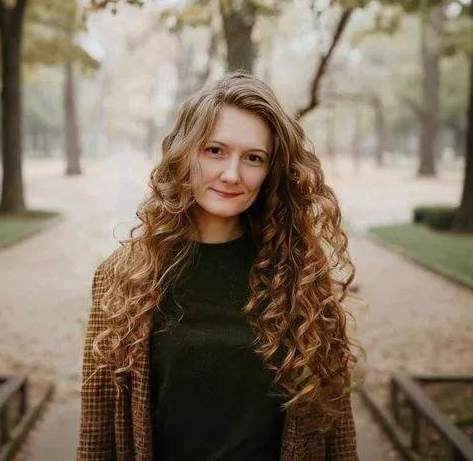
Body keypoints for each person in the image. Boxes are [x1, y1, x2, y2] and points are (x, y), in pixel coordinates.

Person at [77, 72, 360, 461]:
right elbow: (96, 437)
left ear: (271, 170)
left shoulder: (301, 277)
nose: (231, 174)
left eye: (253, 158)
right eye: (215, 151)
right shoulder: (122, 277)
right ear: (186, 153)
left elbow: (337, 433)